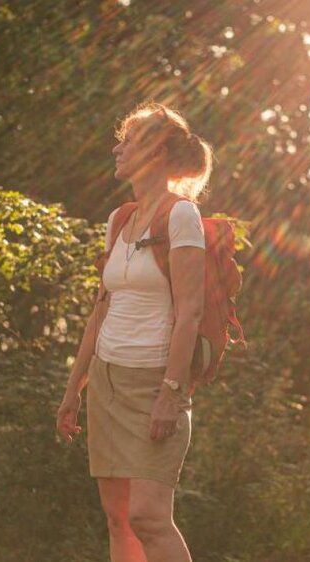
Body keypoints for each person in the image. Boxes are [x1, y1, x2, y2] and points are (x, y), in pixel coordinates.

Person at [56, 102, 213, 562]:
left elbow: (190, 312)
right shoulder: (119, 220)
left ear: (159, 152)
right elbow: (100, 312)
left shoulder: (181, 216)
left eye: (129, 140)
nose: (117, 148)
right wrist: (73, 391)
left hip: (153, 384)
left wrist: (171, 391)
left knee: (149, 517)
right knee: (119, 519)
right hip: (107, 381)